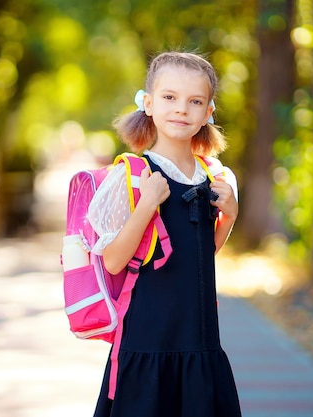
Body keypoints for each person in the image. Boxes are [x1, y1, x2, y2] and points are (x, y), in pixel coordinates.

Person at [87, 51, 242, 416]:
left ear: (208, 112)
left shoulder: (215, 177)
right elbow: (112, 262)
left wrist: (229, 216)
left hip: (200, 339)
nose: (181, 109)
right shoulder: (132, 175)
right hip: (148, 342)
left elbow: (202, 253)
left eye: (195, 101)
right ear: (149, 103)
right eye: (170, 97)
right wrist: (147, 204)